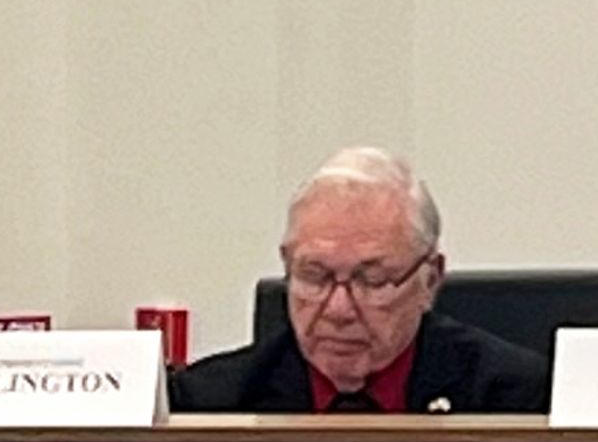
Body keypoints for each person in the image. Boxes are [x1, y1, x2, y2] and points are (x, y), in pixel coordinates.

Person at [170, 147, 551, 414]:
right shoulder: (209, 405)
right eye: (314, 276)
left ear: (430, 280)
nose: (338, 310)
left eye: (371, 280)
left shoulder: (521, 401)